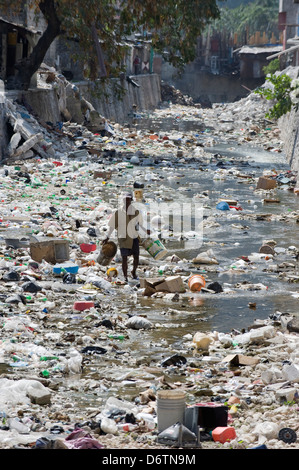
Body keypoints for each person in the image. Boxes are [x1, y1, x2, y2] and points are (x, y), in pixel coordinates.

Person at [103, 193, 144, 282]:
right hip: (123, 238)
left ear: (131, 201)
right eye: (125, 200)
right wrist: (107, 237)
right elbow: (112, 226)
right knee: (124, 257)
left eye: (129, 200)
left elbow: (140, 224)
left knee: (136, 256)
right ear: (123, 201)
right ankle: (125, 277)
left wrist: (146, 231)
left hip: (134, 237)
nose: (127, 201)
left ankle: (133, 272)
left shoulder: (136, 212)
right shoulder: (118, 212)